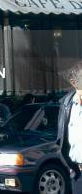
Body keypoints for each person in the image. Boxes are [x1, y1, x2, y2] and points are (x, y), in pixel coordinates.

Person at [58, 62, 82, 193]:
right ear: (74, 82)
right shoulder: (66, 105)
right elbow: (61, 139)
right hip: (78, 174)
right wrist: (71, 168)